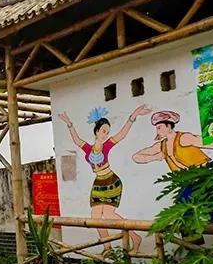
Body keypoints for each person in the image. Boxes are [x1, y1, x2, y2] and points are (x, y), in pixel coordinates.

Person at [59, 105, 150, 254]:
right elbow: (76, 140)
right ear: (96, 131)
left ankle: (135, 237)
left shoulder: (107, 146)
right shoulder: (88, 148)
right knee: (95, 217)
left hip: (111, 182)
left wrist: (133, 115)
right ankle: (107, 247)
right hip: (99, 183)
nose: (105, 134)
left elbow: (122, 134)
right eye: (103, 131)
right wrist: (69, 123)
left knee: (108, 215)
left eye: (107, 132)